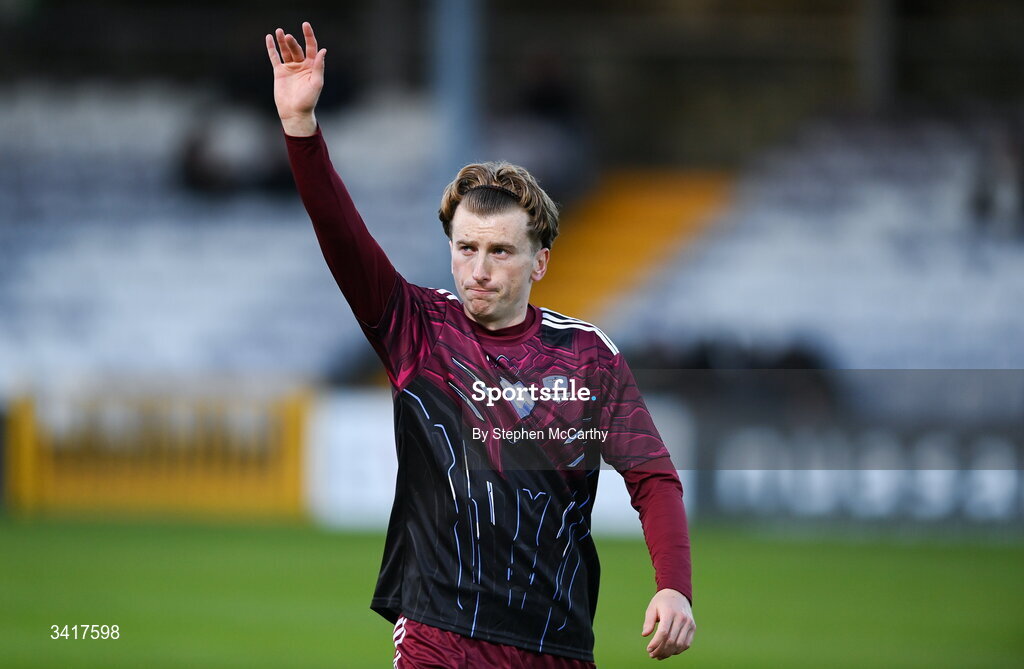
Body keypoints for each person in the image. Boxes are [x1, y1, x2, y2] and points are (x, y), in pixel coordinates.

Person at [266, 22, 695, 666]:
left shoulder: (587, 357)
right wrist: (301, 127)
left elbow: (652, 476)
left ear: (540, 261)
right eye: (465, 248)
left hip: (553, 642)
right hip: (437, 633)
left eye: (500, 251)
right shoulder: (416, 327)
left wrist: (674, 587)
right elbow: (340, 233)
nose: (479, 268)